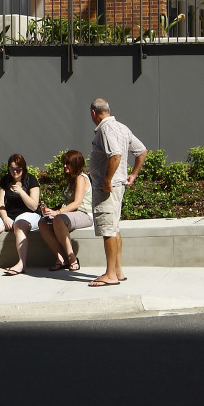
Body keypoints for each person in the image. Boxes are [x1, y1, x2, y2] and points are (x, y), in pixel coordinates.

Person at [86, 96, 146, 288]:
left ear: (93, 113)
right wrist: (133, 175)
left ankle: (110, 274)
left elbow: (116, 155)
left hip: (108, 189)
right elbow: (141, 151)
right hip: (118, 186)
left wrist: (107, 180)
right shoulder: (122, 127)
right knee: (114, 228)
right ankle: (118, 270)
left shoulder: (105, 128)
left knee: (108, 231)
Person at [0, 152, 43, 275]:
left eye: (18, 169)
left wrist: (21, 192)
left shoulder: (31, 180)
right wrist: (5, 218)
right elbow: (1, 204)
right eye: (12, 169)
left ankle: (21, 264)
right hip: (10, 215)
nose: (14, 172)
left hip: (29, 215)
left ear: (23, 168)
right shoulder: (5, 180)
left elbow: (34, 205)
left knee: (19, 225)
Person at [37, 150, 93, 273]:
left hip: (84, 214)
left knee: (59, 218)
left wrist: (58, 212)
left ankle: (72, 258)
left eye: (68, 163)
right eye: (64, 163)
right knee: (42, 223)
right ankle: (60, 258)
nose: (64, 166)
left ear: (76, 164)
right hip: (70, 215)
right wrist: (51, 211)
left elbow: (77, 203)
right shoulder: (71, 180)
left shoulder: (81, 178)